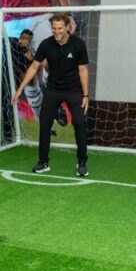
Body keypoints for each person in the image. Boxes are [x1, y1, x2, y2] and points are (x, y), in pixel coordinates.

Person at [11, 13, 90, 177]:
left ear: (67, 27)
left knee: (79, 123)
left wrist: (86, 95)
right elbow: (34, 67)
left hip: (74, 90)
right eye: (54, 28)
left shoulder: (78, 44)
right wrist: (19, 89)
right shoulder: (46, 44)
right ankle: (43, 162)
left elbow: (83, 70)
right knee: (45, 124)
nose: (57, 31)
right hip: (53, 90)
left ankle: (82, 162)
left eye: (60, 28)